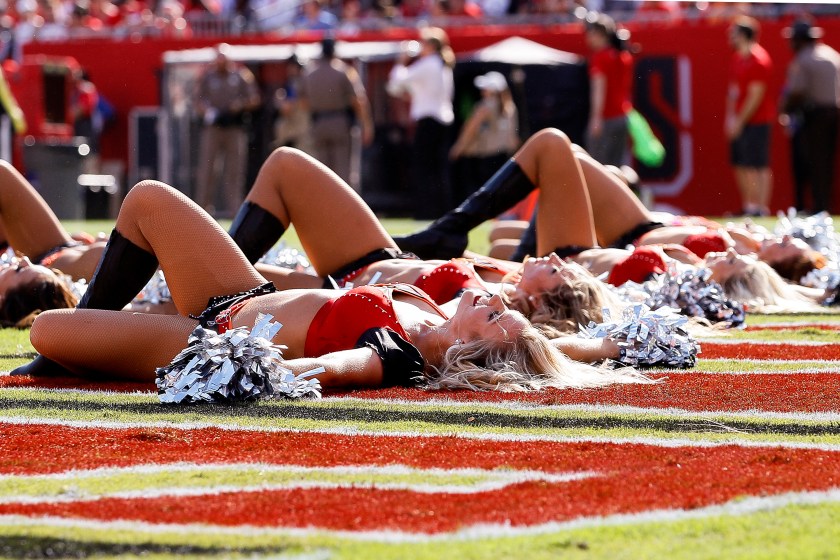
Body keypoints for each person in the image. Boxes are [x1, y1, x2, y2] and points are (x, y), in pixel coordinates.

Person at [11, 177, 651, 393]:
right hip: (239, 290)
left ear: (469, 352)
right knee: (147, 199)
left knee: (49, 326)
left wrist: (273, 374)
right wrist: (620, 346)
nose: (491, 300)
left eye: (492, 318)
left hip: (206, 338)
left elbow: (340, 367)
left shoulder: (400, 353)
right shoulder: (439, 319)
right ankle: (56, 358)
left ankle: (59, 355)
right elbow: (549, 352)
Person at [386, 27, 455, 219]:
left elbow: (397, 79)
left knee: (424, 168)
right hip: (441, 121)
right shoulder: (442, 65)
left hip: (429, 121)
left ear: (432, 46)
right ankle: (440, 211)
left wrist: (401, 60)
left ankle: (426, 211)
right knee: (437, 169)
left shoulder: (429, 63)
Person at [192, 43, 261, 218]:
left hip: (234, 128)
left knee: (234, 171)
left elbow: (254, 98)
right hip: (213, 129)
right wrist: (208, 111)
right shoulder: (207, 77)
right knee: (208, 170)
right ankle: (203, 211)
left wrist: (238, 106)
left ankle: (235, 212)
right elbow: (197, 101)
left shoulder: (241, 75)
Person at [780, 18, 840, 214]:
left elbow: (797, 91)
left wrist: (785, 109)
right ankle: (823, 205)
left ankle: (815, 207)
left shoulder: (803, 59)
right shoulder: (832, 55)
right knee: (825, 162)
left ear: (800, 40)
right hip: (834, 114)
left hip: (814, 116)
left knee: (810, 162)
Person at [299, 37, 374, 192]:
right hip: (341, 123)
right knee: (344, 171)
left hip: (318, 123)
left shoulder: (309, 73)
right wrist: (367, 124)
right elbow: (358, 100)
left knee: (321, 171)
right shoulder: (345, 71)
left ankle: (323, 209)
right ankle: (346, 211)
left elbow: (302, 102)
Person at [726, 16, 774, 217]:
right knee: (740, 164)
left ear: (744, 35)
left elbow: (755, 96)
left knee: (758, 165)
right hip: (740, 121)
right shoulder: (737, 58)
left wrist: (738, 121)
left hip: (758, 121)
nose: (731, 38)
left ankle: (761, 208)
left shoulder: (759, 60)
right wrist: (729, 118)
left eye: (734, 34)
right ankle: (749, 206)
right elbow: (733, 91)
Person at [449, 71, 520, 202]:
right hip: (503, 154)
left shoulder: (485, 106)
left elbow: (471, 128)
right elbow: (513, 138)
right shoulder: (511, 107)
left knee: (480, 189)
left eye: (485, 88)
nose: (482, 91)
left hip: (485, 155)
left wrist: (459, 147)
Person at [584, 12, 633, 167]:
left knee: (598, 168)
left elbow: (599, 90)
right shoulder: (624, 56)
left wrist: (596, 119)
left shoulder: (600, 58)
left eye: (590, 33)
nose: (587, 38)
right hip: (623, 117)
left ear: (599, 34)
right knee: (617, 167)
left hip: (606, 120)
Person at [272, 54, 311, 152]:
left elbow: (304, 103)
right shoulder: (290, 82)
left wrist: (290, 103)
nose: (291, 69)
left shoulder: (304, 81)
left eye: (294, 66)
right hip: (291, 125)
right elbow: (285, 107)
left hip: (303, 125)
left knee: (304, 153)